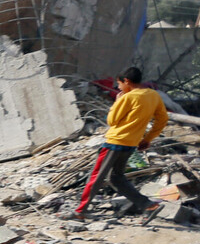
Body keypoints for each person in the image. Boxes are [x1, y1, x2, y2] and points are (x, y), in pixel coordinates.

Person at [62, 66, 167, 220]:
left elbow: (112, 120)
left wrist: (117, 102)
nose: (118, 88)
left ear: (127, 81)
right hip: (131, 144)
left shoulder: (127, 97)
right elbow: (162, 119)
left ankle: (80, 211)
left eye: (119, 84)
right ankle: (148, 205)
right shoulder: (153, 95)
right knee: (116, 178)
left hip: (115, 142)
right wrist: (147, 139)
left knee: (96, 176)